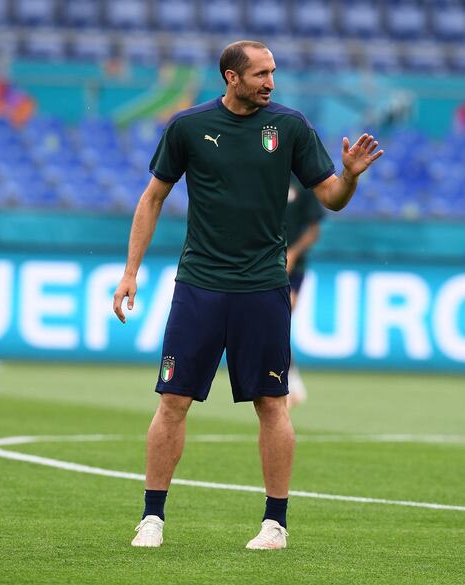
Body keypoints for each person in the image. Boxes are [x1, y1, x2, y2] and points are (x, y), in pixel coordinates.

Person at [112, 40, 383, 549]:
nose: (270, 82)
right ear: (231, 78)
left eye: (273, 72)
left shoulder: (291, 127)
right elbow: (152, 199)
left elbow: (332, 198)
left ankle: (275, 524)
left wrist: (348, 177)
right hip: (199, 285)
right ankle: (152, 519)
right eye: (260, 74)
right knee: (172, 400)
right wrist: (131, 272)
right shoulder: (187, 127)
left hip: (262, 286)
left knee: (271, 403)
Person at [285, 177, 325, 408]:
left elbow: (313, 231)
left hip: (292, 267)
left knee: (279, 317)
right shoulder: (260, 173)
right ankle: (290, 381)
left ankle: (289, 382)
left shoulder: (301, 183)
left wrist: (293, 253)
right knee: (270, 322)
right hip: (260, 262)